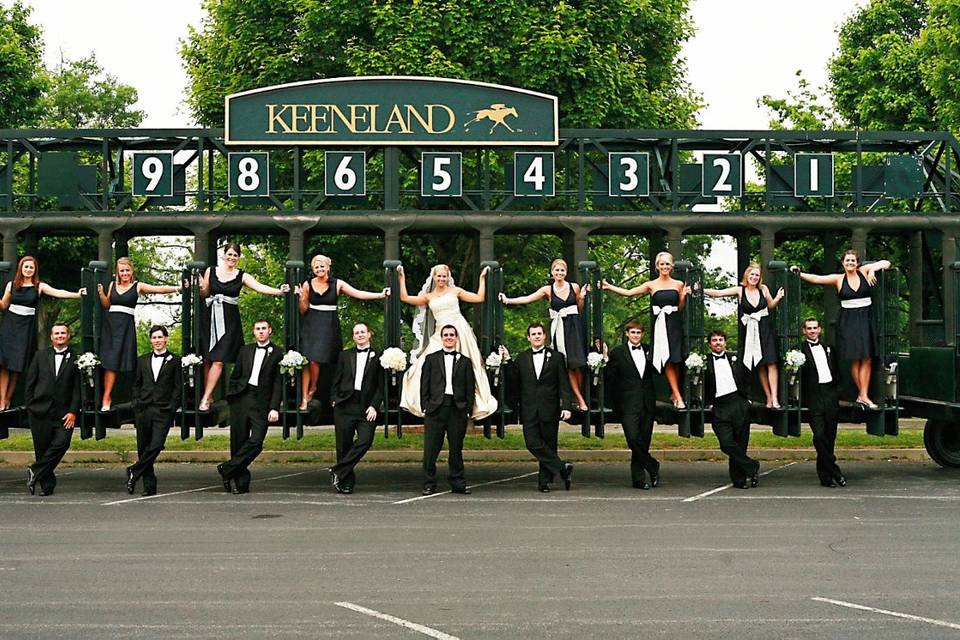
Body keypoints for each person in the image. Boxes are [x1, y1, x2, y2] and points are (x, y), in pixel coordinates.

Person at [792, 249, 891, 409]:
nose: (850, 263)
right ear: (843, 263)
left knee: (867, 357)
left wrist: (873, 268)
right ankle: (862, 394)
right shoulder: (838, 279)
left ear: (857, 262)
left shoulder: (864, 271)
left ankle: (864, 395)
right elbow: (817, 279)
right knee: (855, 357)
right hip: (848, 320)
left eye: (853, 260)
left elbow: (886, 263)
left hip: (866, 318)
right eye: (847, 261)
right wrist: (799, 273)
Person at [198, 243, 290, 411]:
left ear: (238, 258)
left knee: (219, 360)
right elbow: (204, 292)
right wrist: (198, 285)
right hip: (209, 317)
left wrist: (279, 291)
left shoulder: (242, 275)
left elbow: (259, 287)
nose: (232, 258)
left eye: (235, 255)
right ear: (224, 255)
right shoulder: (211, 271)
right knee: (207, 358)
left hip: (229, 320)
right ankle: (209, 395)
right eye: (230, 254)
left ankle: (204, 399)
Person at [397, 263, 496, 419]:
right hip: (440, 333)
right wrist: (401, 278)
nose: (442, 278)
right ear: (434, 277)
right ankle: (430, 402)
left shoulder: (455, 291)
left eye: (444, 276)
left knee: (466, 365)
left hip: (460, 331)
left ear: (448, 277)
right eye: (439, 276)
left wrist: (482, 279)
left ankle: (471, 404)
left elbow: (479, 298)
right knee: (422, 365)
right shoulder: (428, 296)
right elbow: (405, 298)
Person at [299, 254, 388, 410]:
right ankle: (306, 395)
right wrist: (300, 298)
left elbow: (358, 293)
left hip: (328, 324)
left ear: (328, 267)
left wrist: (380, 295)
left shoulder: (338, 283)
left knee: (325, 359)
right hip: (311, 324)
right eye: (316, 267)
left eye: (322, 266)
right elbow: (303, 309)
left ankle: (318, 388)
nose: (319, 269)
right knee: (309, 359)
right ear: (313, 269)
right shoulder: (307, 284)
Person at [603, 251, 691, 408]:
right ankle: (678, 396)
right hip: (660, 325)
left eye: (667, 264)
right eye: (661, 264)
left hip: (674, 324)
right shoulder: (651, 284)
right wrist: (610, 287)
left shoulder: (678, 284)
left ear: (671, 266)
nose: (664, 267)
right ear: (657, 266)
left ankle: (673, 392)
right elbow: (629, 293)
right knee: (668, 359)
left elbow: (681, 307)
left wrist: (683, 297)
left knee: (676, 359)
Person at [499, 258, 589, 411]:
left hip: (574, 327)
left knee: (578, 363)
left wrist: (581, 297)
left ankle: (576, 395)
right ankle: (579, 399)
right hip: (559, 328)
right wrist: (508, 300)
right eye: (557, 270)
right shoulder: (547, 290)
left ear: (566, 272)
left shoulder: (574, 287)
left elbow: (579, 307)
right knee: (566, 363)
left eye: (562, 270)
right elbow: (528, 299)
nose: (559, 273)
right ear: (552, 272)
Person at [97, 257, 183, 411]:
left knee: (127, 361)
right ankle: (106, 397)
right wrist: (102, 294)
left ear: (132, 271)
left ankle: (131, 397)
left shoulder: (137, 286)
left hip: (126, 326)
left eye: (127, 270)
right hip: (111, 326)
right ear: (118, 272)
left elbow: (159, 289)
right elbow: (107, 305)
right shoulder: (112, 285)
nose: (124, 273)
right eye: (122, 270)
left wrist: (179, 288)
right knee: (110, 362)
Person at [0, 256, 84, 410]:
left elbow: (58, 292)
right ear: (21, 268)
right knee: (4, 364)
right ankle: (1, 401)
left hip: (25, 328)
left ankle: (8, 400)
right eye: (26, 267)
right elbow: (4, 304)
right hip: (9, 326)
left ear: (35, 270)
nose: (28, 270)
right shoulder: (11, 285)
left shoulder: (39, 286)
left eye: (31, 267)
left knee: (16, 366)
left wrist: (77, 295)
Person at [500, 322, 575, 493]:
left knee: (549, 444)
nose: (536, 336)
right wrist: (507, 360)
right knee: (532, 443)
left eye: (539, 333)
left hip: (550, 407)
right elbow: (514, 380)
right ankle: (563, 467)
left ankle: (544, 482)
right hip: (529, 407)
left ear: (544, 336)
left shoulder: (556, 357)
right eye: (533, 334)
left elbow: (564, 383)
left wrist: (567, 406)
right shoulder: (522, 358)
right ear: (528, 338)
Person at [703, 262, 785, 408]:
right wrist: (701, 290)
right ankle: (768, 398)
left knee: (771, 362)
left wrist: (778, 298)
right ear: (746, 276)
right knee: (759, 364)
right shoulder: (740, 290)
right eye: (752, 274)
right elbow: (719, 293)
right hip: (750, 331)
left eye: (757, 275)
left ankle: (775, 398)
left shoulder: (763, 289)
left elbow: (770, 305)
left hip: (765, 328)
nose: (754, 277)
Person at [216, 319, 283, 494]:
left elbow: (278, 383)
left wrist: (274, 407)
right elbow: (236, 374)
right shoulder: (245, 350)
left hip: (262, 402)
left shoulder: (278, 353)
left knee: (257, 441)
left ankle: (227, 469)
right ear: (253, 332)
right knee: (238, 442)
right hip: (241, 399)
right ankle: (241, 484)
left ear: (270, 331)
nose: (261, 331)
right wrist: (232, 396)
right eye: (257, 329)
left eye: (264, 328)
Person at [24, 324, 80, 496]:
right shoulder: (40, 356)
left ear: (68, 336)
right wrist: (31, 406)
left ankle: (35, 470)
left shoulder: (76, 357)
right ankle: (46, 486)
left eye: (63, 333)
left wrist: (73, 411)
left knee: (62, 443)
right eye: (57, 333)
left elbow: (77, 388)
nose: (60, 336)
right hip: (39, 411)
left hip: (64, 413)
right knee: (41, 449)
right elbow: (30, 383)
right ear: (51, 337)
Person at [126, 325, 181, 496]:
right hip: (143, 409)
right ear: (151, 340)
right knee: (143, 447)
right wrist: (136, 402)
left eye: (160, 337)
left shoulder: (175, 360)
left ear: (166, 339)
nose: (157, 340)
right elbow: (136, 384)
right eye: (154, 338)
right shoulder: (142, 360)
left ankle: (134, 470)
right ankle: (149, 486)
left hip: (163, 410)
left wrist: (172, 406)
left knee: (156, 445)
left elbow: (178, 387)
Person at [328, 323, 383, 494]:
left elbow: (382, 386)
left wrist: (375, 405)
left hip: (366, 406)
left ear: (369, 334)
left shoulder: (379, 356)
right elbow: (337, 378)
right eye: (356, 333)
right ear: (353, 337)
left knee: (365, 441)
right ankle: (345, 482)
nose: (359, 335)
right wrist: (334, 399)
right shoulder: (345, 355)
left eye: (362, 332)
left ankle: (337, 470)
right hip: (345, 404)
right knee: (343, 445)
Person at [419, 325, 474, 496]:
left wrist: (467, 408)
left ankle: (458, 482)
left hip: (457, 409)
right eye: (446, 335)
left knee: (456, 448)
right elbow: (424, 384)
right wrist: (425, 405)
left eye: (452, 335)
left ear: (456, 338)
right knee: (431, 449)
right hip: (435, 408)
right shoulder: (431, 359)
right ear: (441, 338)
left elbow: (470, 387)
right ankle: (429, 483)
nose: (449, 337)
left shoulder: (465, 361)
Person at [605, 320, 659, 489]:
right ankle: (652, 465)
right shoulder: (618, 352)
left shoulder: (650, 350)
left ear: (642, 334)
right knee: (633, 438)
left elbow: (657, 371)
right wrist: (605, 359)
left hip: (647, 402)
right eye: (633, 332)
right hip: (627, 404)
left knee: (644, 440)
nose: (636, 335)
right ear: (627, 334)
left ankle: (639, 480)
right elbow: (611, 378)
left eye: (638, 332)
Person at [704, 330, 760, 489]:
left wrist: (747, 399)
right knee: (727, 443)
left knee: (740, 444)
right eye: (714, 340)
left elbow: (748, 377)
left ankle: (740, 480)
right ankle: (752, 466)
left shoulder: (735, 359)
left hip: (739, 403)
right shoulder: (703, 362)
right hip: (719, 406)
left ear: (725, 342)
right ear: (709, 344)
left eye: (720, 340)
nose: (718, 343)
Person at [798, 317, 846, 488]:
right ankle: (835, 470)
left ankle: (826, 478)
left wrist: (837, 392)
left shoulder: (829, 348)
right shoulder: (799, 351)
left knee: (829, 437)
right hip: (814, 396)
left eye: (815, 328)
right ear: (804, 331)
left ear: (820, 330)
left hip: (830, 394)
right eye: (809, 328)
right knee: (819, 436)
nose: (812, 331)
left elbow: (838, 370)